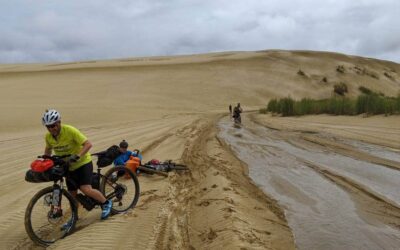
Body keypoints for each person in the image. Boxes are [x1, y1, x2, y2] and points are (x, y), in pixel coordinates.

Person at [42, 109, 112, 222]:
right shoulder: (48, 137)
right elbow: (48, 150)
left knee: (85, 189)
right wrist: (45, 160)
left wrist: (78, 156)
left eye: (53, 125)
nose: (51, 129)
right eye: (48, 127)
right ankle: (74, 217)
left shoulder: (70, 130)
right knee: (72, 194)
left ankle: (106, 203)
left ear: (59, 122)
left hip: (83, 163)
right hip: (68, 166)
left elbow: (88, 144)